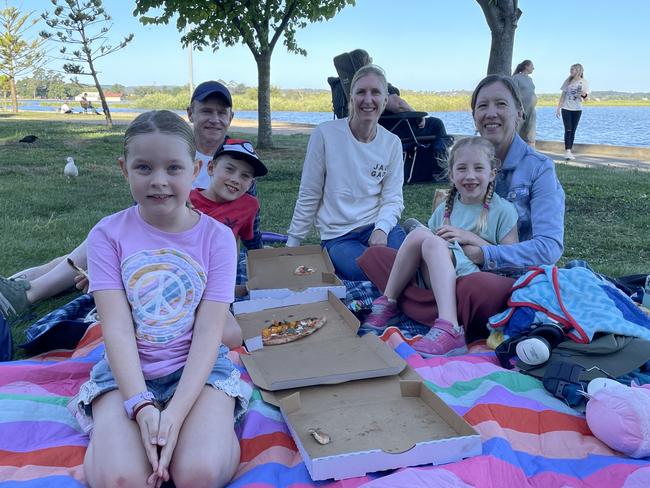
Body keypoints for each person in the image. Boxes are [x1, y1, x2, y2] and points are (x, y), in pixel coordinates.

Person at [0, 81, 261, 336]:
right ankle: (19, 285)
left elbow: (247, 224)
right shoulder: (166, 142)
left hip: (187, 245)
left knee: (93, 248)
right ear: (191, 112)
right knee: (93, 244)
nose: (214, 119)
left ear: (230, 117)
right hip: (149, 228)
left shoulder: (236, 159)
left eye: (221, 113)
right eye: (206, 110)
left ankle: (30, 292)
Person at [72, 110, 247, 488]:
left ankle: (214, 431)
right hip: (126, 375)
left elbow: (208, 332)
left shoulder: (217, 239)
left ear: (196, 168)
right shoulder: (107, 235)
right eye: (144, 168)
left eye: (173, 168)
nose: (159, 182)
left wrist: (176, 413)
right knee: (122, 479)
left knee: (197, 475)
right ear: (124, 169)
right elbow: (116, 329)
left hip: (200, 373)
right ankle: (109, 439)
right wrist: (141, 405)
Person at [358, 74, 565, 344]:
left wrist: (482, 253)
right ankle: (421, 304)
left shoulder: (538, 169)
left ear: (519, 113)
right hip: (450, 267)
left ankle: (433, 312)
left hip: (498, 275)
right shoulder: (466, 158)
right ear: (474, 116)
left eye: (500, 104)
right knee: (379, 256)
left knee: (480, 288)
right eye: (482, 106)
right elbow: (439, 233)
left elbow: (549, 248)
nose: (491, 113)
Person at [362, 137, 518, 356]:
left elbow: (511, 259)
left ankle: (449, 326)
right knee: (411, 237)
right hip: (436, 274)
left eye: (478, 168)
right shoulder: (445, 208)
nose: (470, 176)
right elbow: (428, 246)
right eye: (462, 169)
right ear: (452, 175)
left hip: (471, 275)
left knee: (429, 239)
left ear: (492, 173)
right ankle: (388, 301)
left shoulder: (503, 211)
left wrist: (468, 237)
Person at [287, 64, 406, 281]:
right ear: (351, 98)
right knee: (364, 271)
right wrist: (292, 244)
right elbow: (310, 192)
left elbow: (393, 198)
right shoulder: (325, 134)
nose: (368, 100)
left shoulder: (392, 143)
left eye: (375, 92)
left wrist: (382, 228)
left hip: (378, 226)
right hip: (339, 236)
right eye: (361, 92)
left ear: (386, 100)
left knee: (407, 263)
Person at [556, 63, 589, 160]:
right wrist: (558, 108)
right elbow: (563, 96)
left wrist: (583, 95)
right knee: (568, 129)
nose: (570, 71)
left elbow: (586, 99)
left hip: (577, 109)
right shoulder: (568, 81)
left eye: (572, 69)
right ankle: (567, 151)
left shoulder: (584, 82)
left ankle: (569, 150)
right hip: (566, 108)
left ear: (579, 70)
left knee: (573, 130)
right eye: (570, 69)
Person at [512, 60, 537, 147]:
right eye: (532, 66)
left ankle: (531, 154)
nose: (533, 68)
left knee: (531, 133)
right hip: (521, 111)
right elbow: (514, 94)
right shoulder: (516, 78)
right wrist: (520, 108)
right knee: (516, 133)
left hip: (531, 110)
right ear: (526, 66)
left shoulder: (530, 79)